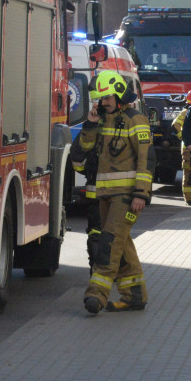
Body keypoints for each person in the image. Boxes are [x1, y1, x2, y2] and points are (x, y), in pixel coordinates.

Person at [79, 70, 155, 314]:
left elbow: (147, 159)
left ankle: (96, 294)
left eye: (108, 98)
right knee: (122, 244)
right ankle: (134, 295)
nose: (104, 103)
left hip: (127, 197)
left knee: (109, 242)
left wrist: (141, 194)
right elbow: (84, 151)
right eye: (101, 99)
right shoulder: (100, 120)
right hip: (105, 196)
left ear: (120, 95)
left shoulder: (136, 120)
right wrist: (90, 123)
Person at [69, 129, 101, 270]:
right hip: (103, 198)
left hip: (105, 197)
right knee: (101, 235)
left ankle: (100, 273)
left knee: (100, 235)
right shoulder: (92, 129)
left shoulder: (131, 124)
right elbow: (77, 160)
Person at [173, 88, 191, 206]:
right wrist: (185, 138)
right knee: (189, 173)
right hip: (188, 148)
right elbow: (175, 126)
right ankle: (189, 198)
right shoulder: (186, 112)